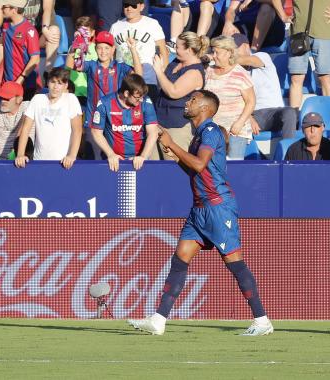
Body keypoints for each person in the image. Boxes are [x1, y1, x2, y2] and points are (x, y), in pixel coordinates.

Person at [128, 90, 273, 336]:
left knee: (235, 264)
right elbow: (195, 171)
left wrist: (173, 144)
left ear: (206, 107)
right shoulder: (198, 137)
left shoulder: (210, 131)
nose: (187, 102)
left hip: (218, 207)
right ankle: (158, 319)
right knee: (180, 259)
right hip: (199, 209)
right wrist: (174, 155)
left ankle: (262, 320)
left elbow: (199, 164)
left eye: (193, 99)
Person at [284, 0, 330, 108]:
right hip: (298, 33)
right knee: (296, 78)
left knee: (325, 77)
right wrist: (283, 16)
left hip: (323, 33)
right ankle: (294, 118)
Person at [233, 33, 298, 139]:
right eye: (230, 50)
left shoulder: (262, 56)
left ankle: (288, 149)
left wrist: (225, 59)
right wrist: (249, 117)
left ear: (245, 46)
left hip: (275, 112)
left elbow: (248, 60)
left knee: (290, 112)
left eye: (235, 49)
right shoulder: (235, 70)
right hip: (254, 115)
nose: (232, 53)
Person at [15, 67, 82, 169]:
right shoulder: (37, 99)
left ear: (65, 85)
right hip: (39, 161)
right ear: (47, 83)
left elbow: (77, 130)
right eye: (53, 82)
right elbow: (25, 129)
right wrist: (20, 154)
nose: (55, 86)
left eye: (59, 83)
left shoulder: (71, 99)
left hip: (64, 162)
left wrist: (72, 155)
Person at [153, 31, 207, 156]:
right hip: (159, 121)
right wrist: (161, 69)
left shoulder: (195, 71)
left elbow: (173, 92)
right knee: (152, 165)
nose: (174, 49)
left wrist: (158, 72)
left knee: (173, 168)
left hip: (178, 125)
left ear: (188, 49)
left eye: (177, 47)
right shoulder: (176, 62)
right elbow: (163, 84)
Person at [90, 74, 159, 171]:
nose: (140, 100)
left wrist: (143, 156)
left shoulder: (146, 102)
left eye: (142, 97)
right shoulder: (105, 103)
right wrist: (110, 154)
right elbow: (96, 132)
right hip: (114, 160)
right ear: (126, 93)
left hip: (139, 159)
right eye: (137, 97)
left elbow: (153, 132)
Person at [204, 35, 256, 159]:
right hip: (212, 130)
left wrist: (239, 123)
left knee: (233, 169)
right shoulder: (208, 70)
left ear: (229, 53)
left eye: (217, 52)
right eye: (213, 51)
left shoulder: (240, 74)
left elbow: (251, 101)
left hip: (234, 131)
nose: (214, 55)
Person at [109, 0, 169, 103]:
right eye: (126, 5)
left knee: (147, 109)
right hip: (123, 73)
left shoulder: (152, 24)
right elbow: (112, 54)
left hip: (146, 73)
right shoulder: (116, 26)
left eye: (133, 5)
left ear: (141, 6)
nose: (129, 8)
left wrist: (163, 75)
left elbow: (163, 51)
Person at [0, 0, 42, 99]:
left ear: (14, 9)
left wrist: (20, 80)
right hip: (8, 83)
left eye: (4, 7)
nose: (1, 9)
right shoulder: (5, 26)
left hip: (26, 84)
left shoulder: (29, 30)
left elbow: (35, 59)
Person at [22, 0, 61, 71]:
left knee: (54, 31)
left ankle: (48, 73)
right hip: (21, 35)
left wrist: (45, 28)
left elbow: (47, 9)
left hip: (39, 37)